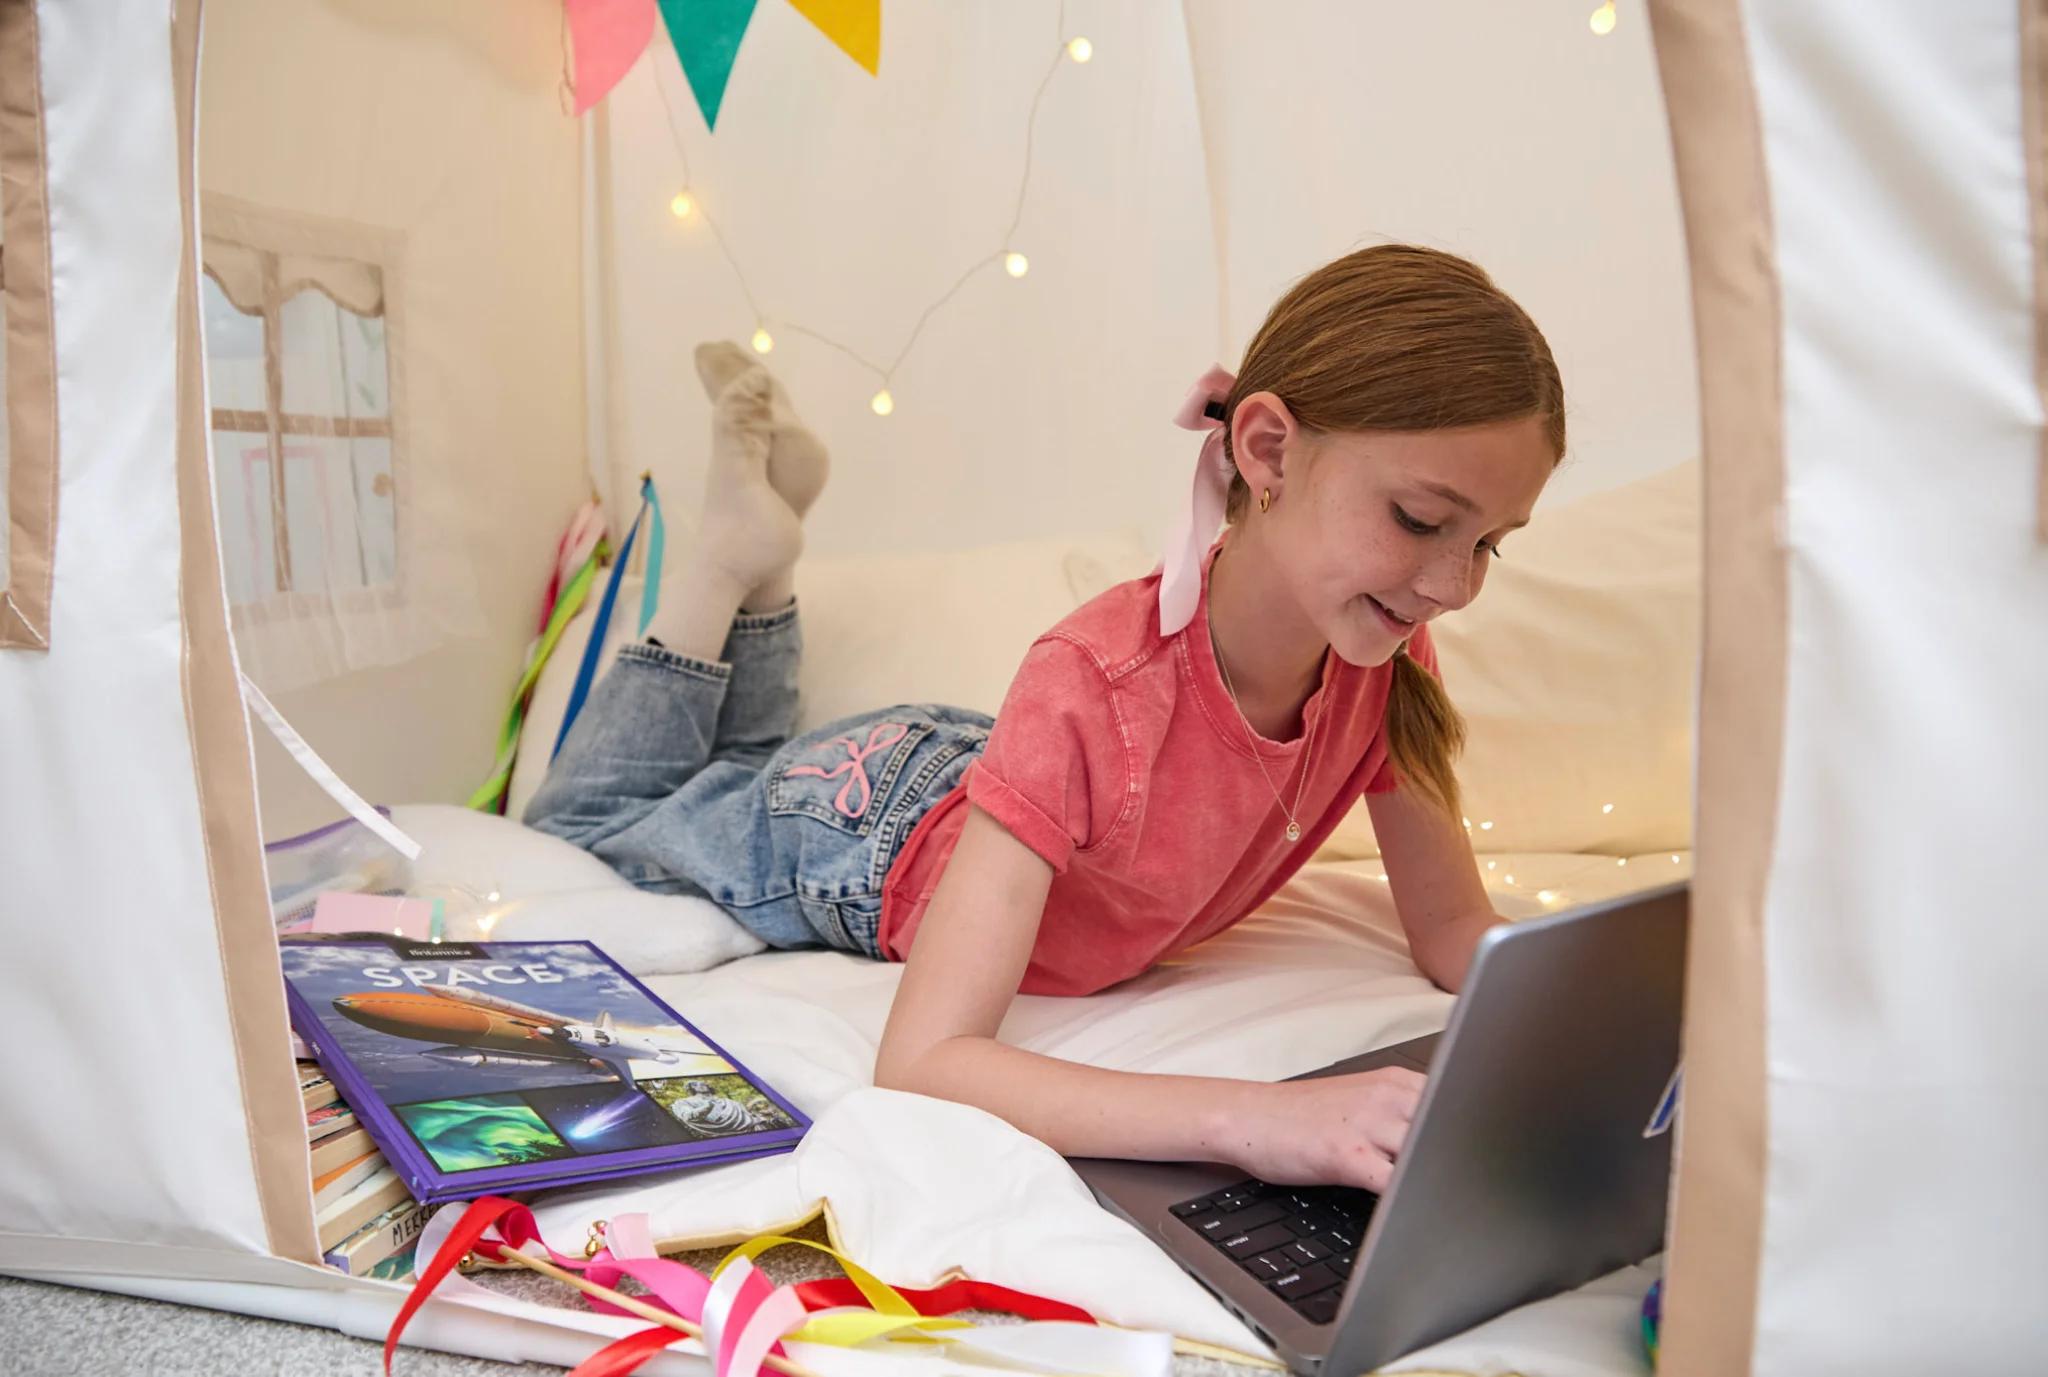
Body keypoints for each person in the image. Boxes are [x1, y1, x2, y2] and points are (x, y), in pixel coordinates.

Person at [526, 244, 1562, 1191]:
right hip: (857, 831)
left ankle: (765, 562)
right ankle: (727, 563)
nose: (1455, 583)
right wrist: (1257, 1119)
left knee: (735, 761)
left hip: (979, 773)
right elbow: (924, 1063)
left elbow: (1455, 932)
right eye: (1421, 522)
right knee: (580, 828)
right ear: (1268, 452)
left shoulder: (1381, 655)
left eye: (1488, 544)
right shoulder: (1090, 679)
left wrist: (1613, 1022)